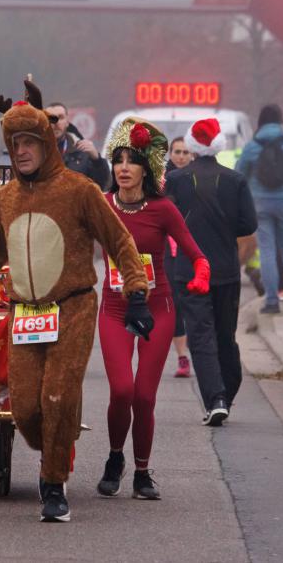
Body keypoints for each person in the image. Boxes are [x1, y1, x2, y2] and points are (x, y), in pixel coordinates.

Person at [0, 81, 152, 522]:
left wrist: (136, 291)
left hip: (73, 306)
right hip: (25, 312)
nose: (21, 151)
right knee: (25, 409)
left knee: (56, 398)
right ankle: (56, 445)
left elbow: (119, 241)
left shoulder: (79, 190)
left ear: (46, 144)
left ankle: (53, 483)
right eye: (14, 144)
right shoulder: (7, 196)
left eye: (28, 143)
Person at [95, 118, 211, 500]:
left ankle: (142, 472)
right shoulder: (102, 205)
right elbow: (73, 246)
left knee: (144, 395)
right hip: (114, 308)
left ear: (148, 168)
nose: (123, 168)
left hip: (157, 309)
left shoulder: (162, 209)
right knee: (122, 391)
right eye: (118, 161)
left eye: (132, 161)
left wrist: (201, 273)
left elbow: (195, 252)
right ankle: (115, 457)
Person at [168, 118, 257, 425]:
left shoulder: (177, 180)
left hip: (190, 268)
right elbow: (249, 225)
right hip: (226, 269)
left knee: (200, 335)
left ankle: (215, 398)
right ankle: (226, 394)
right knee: (225, 335)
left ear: (191, 145)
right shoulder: (235, 180)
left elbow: (169, 220)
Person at [236, 104, 283, 314]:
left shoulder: (252, 146)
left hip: (259, 204)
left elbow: (240, 172)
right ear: (280, 120)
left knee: (267, 251)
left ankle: (271, 301)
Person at [164, 137, 193, 378]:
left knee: (192, 299)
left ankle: (195, 342)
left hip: (195, 247)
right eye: (177, 152)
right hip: (168, 249)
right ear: (170, 153)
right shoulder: (162, 180)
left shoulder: (198, 178)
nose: (181, 156)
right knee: (174, 301)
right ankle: (182, 357)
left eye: (185, 152)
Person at [44, 101, 109, 190]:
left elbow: (101, 185)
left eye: (61, 117)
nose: (56, 122)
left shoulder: (82, 152)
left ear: (67, 122)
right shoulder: (36, 154)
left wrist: (97, 160)